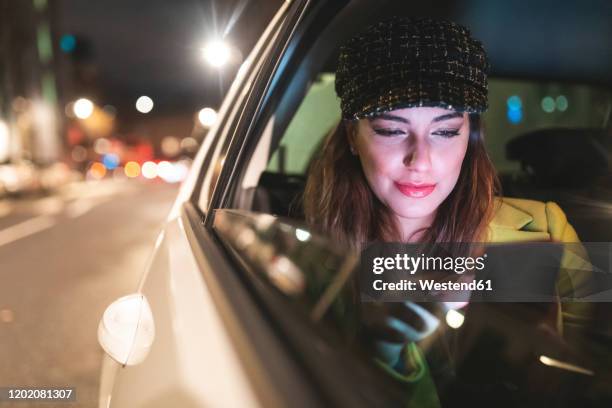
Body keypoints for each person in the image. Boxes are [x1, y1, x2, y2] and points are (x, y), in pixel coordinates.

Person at [302, 16, 592, 406]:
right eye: (391, 130)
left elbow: (593, 361)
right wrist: (384, 354)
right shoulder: (312, 259)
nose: (420, 161)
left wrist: (562, 375)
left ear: (470, 138)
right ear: (353, 136)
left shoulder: (547, 228)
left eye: (445, 131)